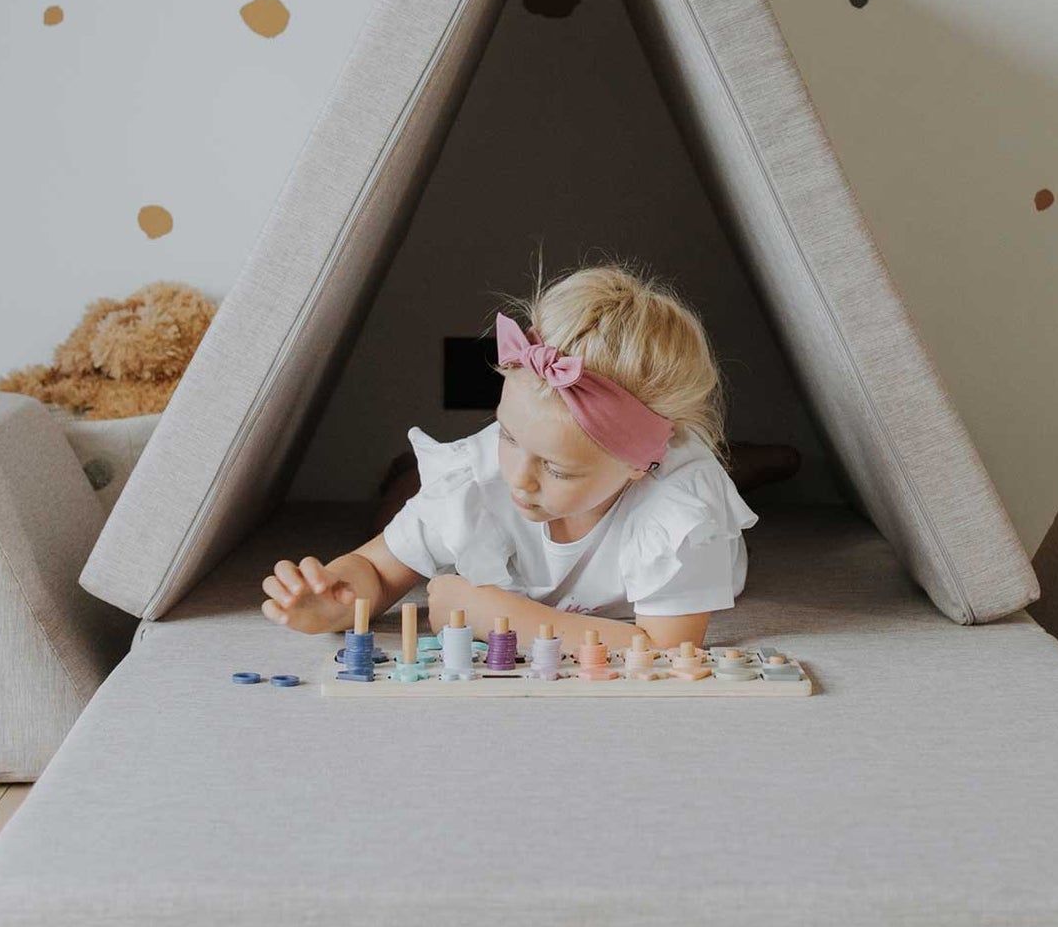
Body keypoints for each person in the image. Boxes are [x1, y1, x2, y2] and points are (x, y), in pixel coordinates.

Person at [261, 264, 757, 654]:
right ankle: (405, 471)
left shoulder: (680, 508)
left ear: (638, 463)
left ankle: (749, 464)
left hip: (683, 499)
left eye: (557, 468)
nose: (519, 479)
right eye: (509, 434)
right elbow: (379, 569)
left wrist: (488, 612)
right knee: (412, 499)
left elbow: (665, 650)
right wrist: (333, 602)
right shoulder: (487, 472)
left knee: (711, 470)